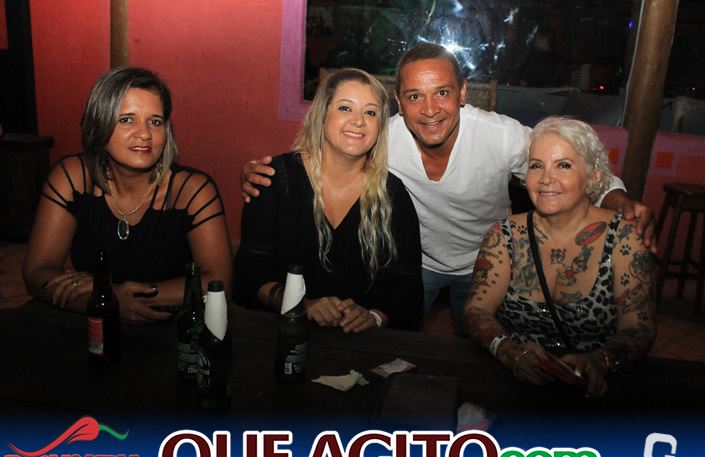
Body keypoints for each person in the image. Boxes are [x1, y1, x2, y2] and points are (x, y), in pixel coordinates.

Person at [241, 42, 656, 334]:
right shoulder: (382, 136)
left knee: (484, 352)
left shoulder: (499, 135)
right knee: (398, 342)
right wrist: (265, 174)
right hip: (418, 262)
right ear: (399, 102)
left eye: (441, 92)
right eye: (414, 96)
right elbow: (330, 152)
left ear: (462, 93)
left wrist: (617, 198)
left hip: (486, 264)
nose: (429, 109)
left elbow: (565, 159)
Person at [462, 117, 656, 398]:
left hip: (593, 391)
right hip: (516, 383)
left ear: (594, 177)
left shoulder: (624, 239)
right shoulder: (503, 235)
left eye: (563, 165)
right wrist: (507, 350)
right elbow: (476, 311)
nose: (546, 179)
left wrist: (600, 361)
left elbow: (640, 327)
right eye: (536, 165)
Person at [23, 67, 233, 325]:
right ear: (99, 124)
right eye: (126, 119)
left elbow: (219, 284)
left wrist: (111, 293)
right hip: (91, 326)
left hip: (169, 328)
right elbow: (36, 272)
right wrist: (101, 302)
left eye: (155, 122)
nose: (145, 134)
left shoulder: (191, 191)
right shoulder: (72, 178)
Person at [233, 68, 423, 332]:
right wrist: (299, 304)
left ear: (380, 126)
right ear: (322, 114)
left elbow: (407, 288)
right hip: (284, 335)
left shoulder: (393, 195)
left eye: (370, 112)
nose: (359, 121)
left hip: (360, 345)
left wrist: (373, 316)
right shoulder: (274, 180)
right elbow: (249, 277)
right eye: (345, 108)